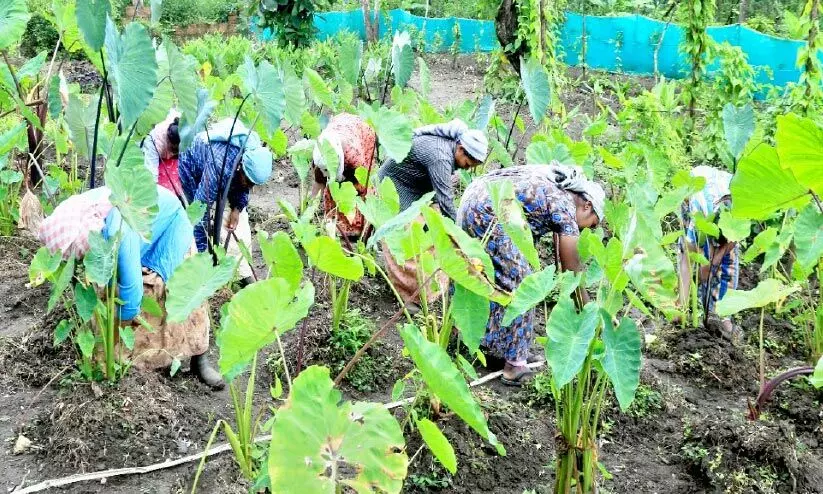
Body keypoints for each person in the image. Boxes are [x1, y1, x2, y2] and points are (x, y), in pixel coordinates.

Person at [38, 186, 224, 388]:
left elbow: (132, 297)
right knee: (108, 292)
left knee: (172, 292)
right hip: (139, 225)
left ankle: (199, 360)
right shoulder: (74, 216)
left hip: (170, 226)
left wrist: (115, 320)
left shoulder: (119, 232)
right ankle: (133, 362)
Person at [457, 163, 605, 386]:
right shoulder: (565, 207)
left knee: (489, 276)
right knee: (523, 282)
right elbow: (572, 271)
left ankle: (485, 342)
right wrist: (590, 315)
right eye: (591, 225)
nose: (586, 231)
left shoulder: (558, 192)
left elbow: (559, 255)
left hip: (475, 200)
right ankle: (514, 365)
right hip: (489, 210)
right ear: (587, 205)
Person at [377, 119, 488, 309]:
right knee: (406, 239)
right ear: (460, 149)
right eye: (468, 164)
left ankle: (426, 286)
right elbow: (446, 202)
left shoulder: (449, 150)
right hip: (395, 185)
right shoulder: (440, 157)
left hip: (417, 188)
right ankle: (408, 295)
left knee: (430, 233)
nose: (467, 169)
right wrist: (463, 239)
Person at [177, 118, 273, 285]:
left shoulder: (249, 155)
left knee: (239, 223)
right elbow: (200, 211)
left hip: (228, 172)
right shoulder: (219, 165)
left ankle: (242, 274)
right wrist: (203, 257)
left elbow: (242, 187)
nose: (250, 188)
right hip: (192, 170)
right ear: (240, 167)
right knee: (199, 221)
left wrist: (237, 208)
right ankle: (201, 267)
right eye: (249, 182)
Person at [677, 165, 740, 341]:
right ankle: (682, 304)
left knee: (728, 260)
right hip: (697, 186)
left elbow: (735, 237)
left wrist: (717, 257)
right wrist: (681, 306)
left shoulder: (740, 209)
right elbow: (688, 258)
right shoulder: (698, 212)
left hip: (725, 194)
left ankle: (721, 315)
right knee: (693, 258)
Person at [311, 113, 377, 239]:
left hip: (361, 132)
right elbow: (319, 183)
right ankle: (336, 227)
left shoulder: (354, 156)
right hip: (339, 126)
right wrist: (309, 211)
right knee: (332, 189)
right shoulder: (319, 155)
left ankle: (358, 230)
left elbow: (360, 188)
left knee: (358, 188)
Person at [141, 110, 183, 195]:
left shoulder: (185, 127)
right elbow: (151, 173)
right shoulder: (154, 140)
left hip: (177, 163)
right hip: (159, 158)